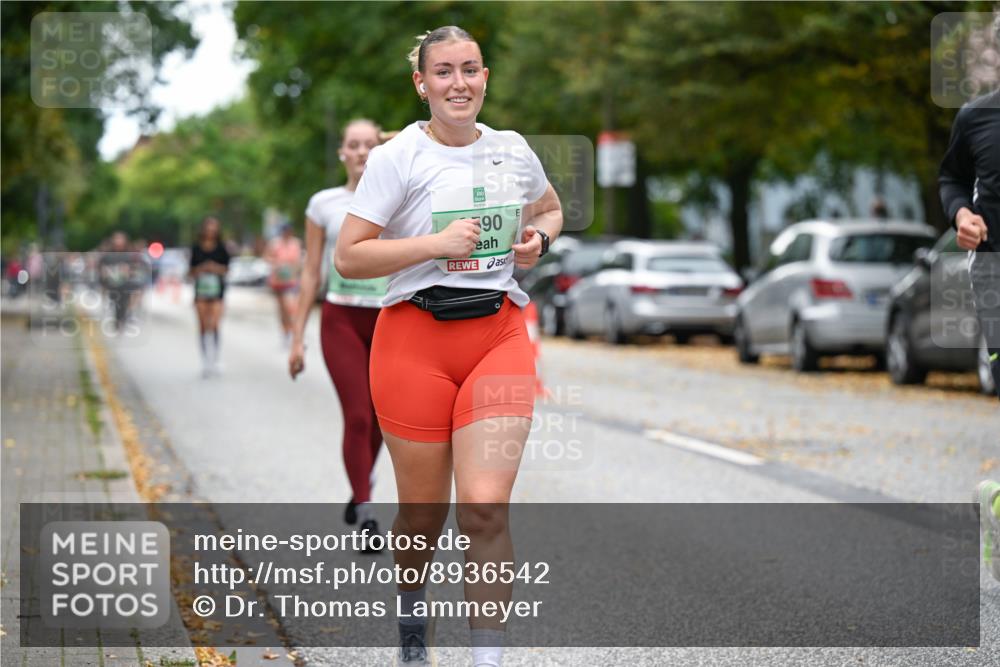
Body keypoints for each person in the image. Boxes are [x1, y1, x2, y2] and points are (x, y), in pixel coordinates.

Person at [335, 26, 563, 667]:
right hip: (414, 341)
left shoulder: (513, 150)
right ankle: (413, 628)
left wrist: (536, 243)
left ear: (485, 76)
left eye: (470, 69)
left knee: (485, 508)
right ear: (421, 83)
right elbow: (349, 256)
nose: (458, 83)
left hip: (497, 333)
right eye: (443, 72)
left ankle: (486, 659)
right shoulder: (397, 157)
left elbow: (548, 210)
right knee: (423, 515)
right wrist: (434, 245)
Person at [288, 118, 387, 543]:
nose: (363, 151)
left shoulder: (397, 196)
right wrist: (296, 337)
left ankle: (358, 486)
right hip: (341, 318)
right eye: (354, 145)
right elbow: (310, 272)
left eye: (371, 144)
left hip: (388, 319)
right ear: (341, 153)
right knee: (359, 415)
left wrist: (389, 140)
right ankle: (366, 511)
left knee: (386, 419)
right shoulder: (323, 204)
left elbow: (429, 129)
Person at [189, 217, 230, 377]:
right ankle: (205, 359)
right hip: (200, 291)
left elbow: (227, 269)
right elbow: (190, 271)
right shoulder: (196, 248)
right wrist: (201, 269)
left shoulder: (221, 248)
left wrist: (215, 268)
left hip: (217, 291)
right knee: (202, 325)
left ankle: (215, 358)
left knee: (214, 324)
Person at [265, 222, 303, 346]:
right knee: (282, 309)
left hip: (291, 281)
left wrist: (295, 269)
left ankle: (292, 331)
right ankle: (284, 332)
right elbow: (267, 257)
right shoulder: (275, 243)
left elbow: (299, 261)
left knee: (290, 307)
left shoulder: (295, 243)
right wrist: (276, 264)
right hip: (278, 280)